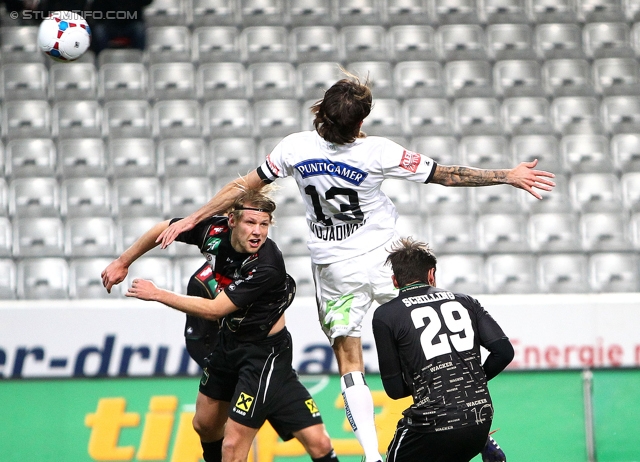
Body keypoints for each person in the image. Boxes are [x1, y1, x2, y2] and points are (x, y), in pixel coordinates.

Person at [156, 71, 555, 462]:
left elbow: (244, 186)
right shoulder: (378, 151)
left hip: (334, 268)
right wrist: (508, 175)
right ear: (360, 121)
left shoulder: (294, 148)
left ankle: (369, 455)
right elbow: (446, 176)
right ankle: (477, 434)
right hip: (386, 259)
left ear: (319, 112)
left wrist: (195, 217)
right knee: (430, 336)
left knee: (350, 359)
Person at [102, 187, 338, 462]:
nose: (258, 232)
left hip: (264, 356)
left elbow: (215, 310)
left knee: (234, 447)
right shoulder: (212, 232)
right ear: (232, 220)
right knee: (204, 425)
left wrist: (158, 294)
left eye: (264, 225)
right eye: (251, 222)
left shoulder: (266, 265)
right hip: (230, 344)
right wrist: (123, 261)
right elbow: (164, 227)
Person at [372, 237, 514, 462]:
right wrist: (470, 378)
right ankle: (485, 442)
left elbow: (394, 390)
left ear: (395, 281)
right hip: (479, 420)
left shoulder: (385, 315)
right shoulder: (466, 301)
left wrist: (430, 381)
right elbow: (505, 352)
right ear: (431, 274)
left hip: (430, 425)